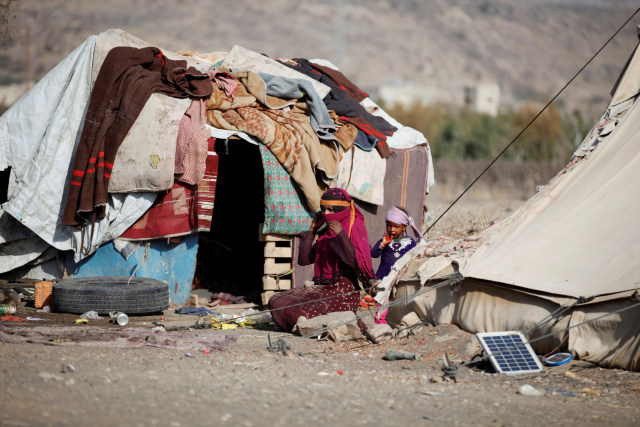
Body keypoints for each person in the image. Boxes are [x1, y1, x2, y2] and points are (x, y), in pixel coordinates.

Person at [268, 187, 375, 332]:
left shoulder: (354, 228)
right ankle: (314, 325)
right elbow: (304, 260)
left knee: (299, 312)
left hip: (343, 292)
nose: (326, 214)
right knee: (277, 301)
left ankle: (335, 324)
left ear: (341, 209)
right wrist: (312, 230)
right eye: (323, 209)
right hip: (322, 288)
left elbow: (356, 263)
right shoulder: (325, 232)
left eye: (331, 209)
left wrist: (341, 236)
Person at [370, 206, 421, 280]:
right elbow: (373, 254)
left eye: (396, 227)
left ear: (404, 227)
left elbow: (415, 258)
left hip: (401, 278)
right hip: (383, 278)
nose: (392, 229)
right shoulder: (384, 241)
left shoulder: (410, 242)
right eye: (389, 226)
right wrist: (382, 244)